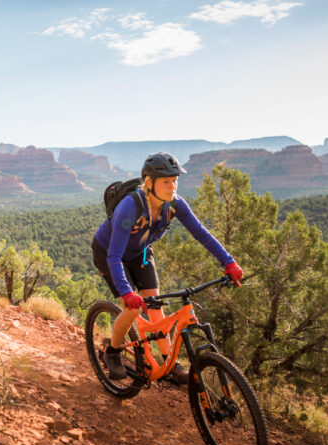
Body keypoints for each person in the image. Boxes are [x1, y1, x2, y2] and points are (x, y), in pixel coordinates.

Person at [92, 152, 243, 382]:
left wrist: (228, 261)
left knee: (155, 304)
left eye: (175, 180)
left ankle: (169, 362)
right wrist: (127, 292)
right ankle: (112, 352)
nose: (172, 186)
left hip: (141, 253)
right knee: (132, 308)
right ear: (149, 183)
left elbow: (201, 233)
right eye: (166, 181)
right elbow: (114, 255)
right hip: (110, 253)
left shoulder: (175, 204)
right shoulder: (130, 207)